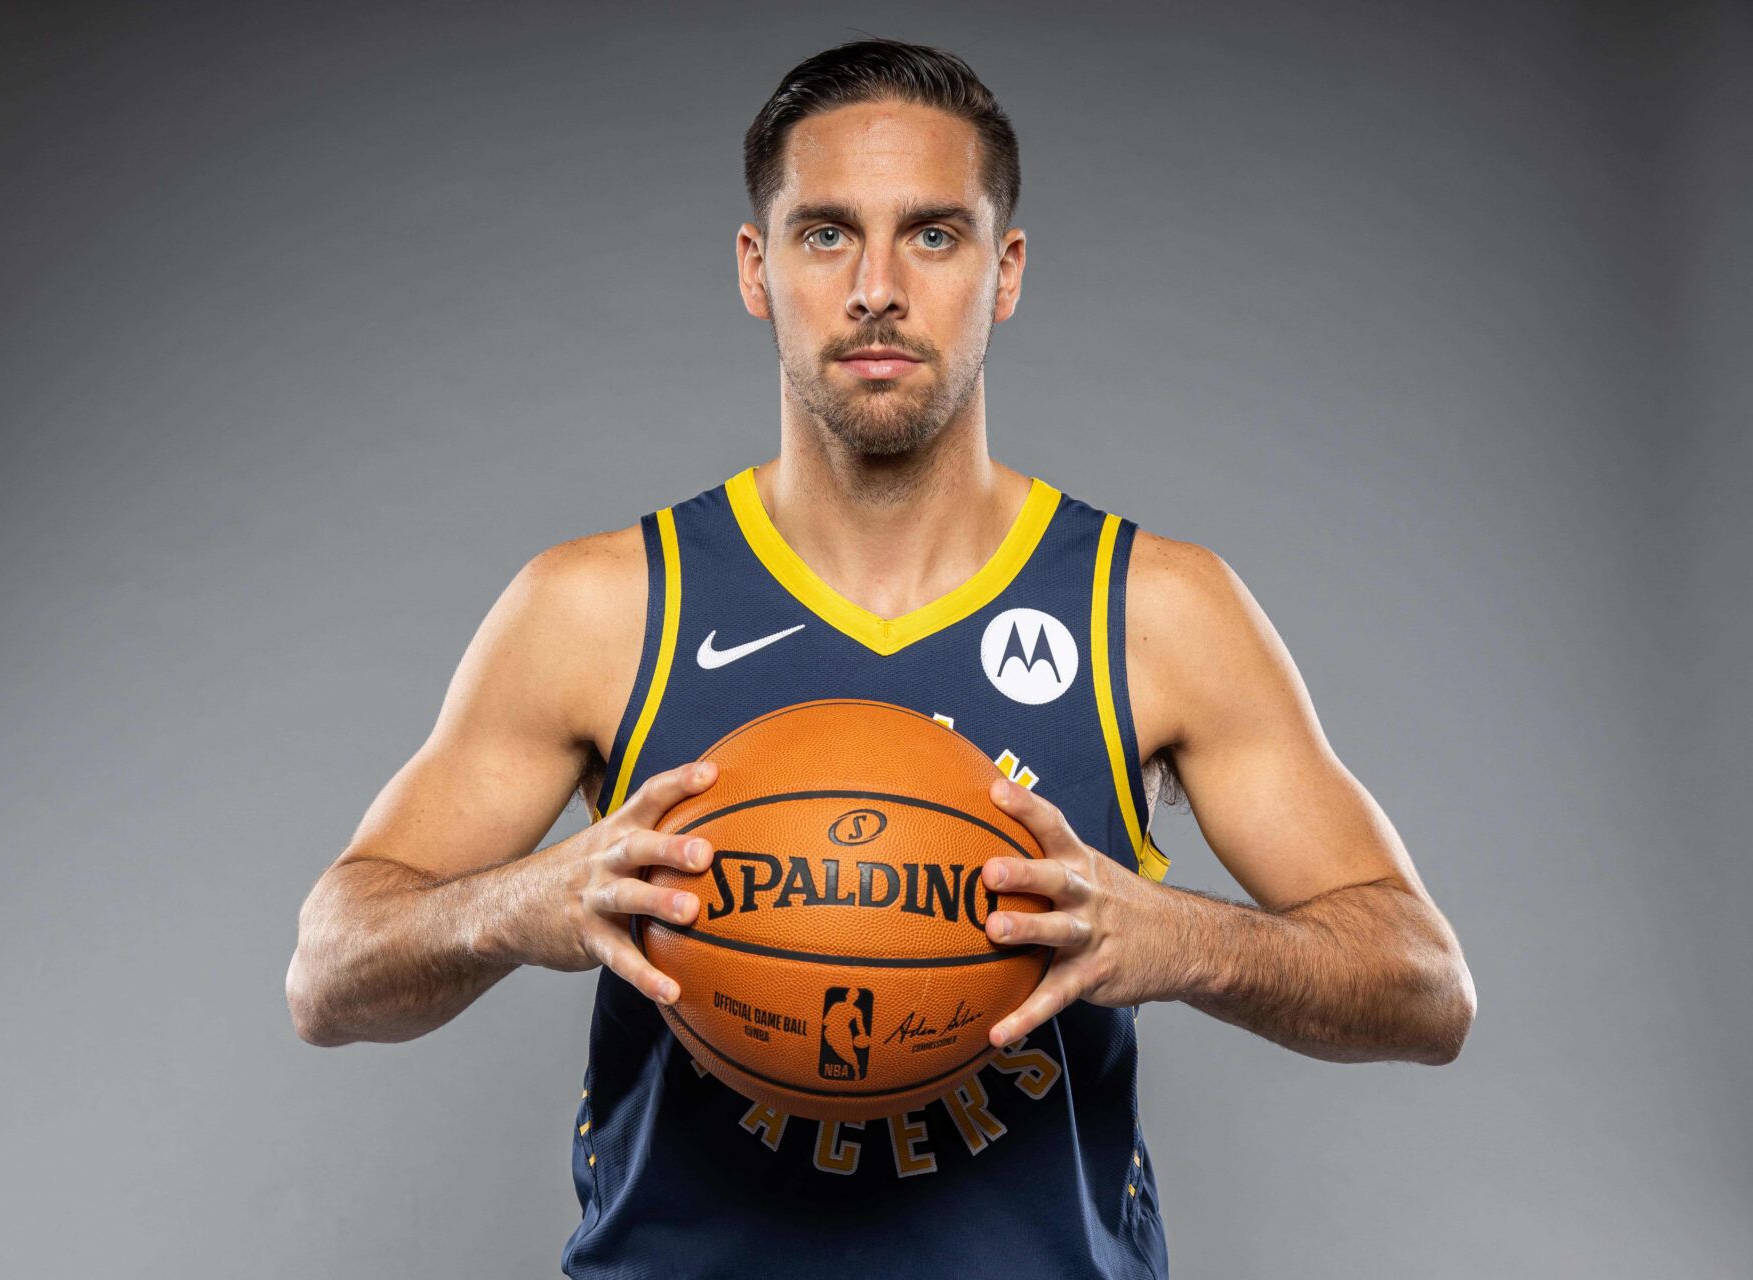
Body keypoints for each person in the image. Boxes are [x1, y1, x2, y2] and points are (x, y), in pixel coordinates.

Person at [285, 36, 1476, 1279]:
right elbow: (329, 971)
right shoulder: (604, 606)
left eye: (935, 235)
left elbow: (1424, 984)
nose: (876, 288)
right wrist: (518, 903)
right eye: (825, 234)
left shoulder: (1153, 608)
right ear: (757, 267)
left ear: (1005, 271)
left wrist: (1185, 936)